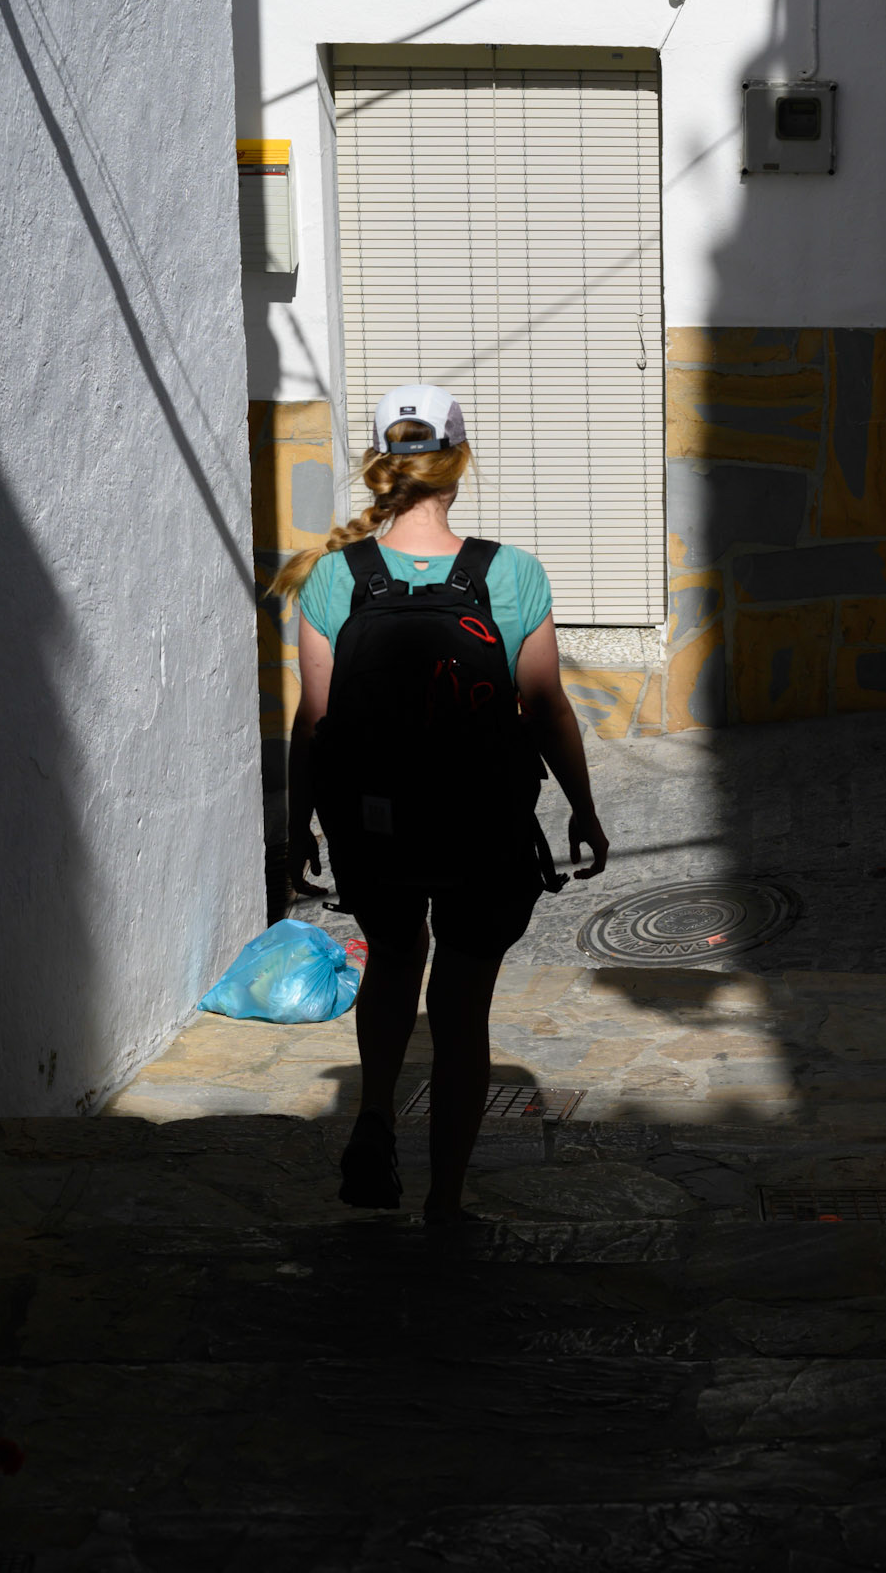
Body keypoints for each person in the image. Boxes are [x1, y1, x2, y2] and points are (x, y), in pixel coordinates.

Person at [274, 384, 609, 1226]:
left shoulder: (334, 576)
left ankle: (376, 1116)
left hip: (373, 825)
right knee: (461, 1009)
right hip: (482, 828)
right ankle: (447, 1202)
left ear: (383, 470)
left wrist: (294, 828)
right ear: (457, 466)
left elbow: (314, 721)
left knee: (392, 960)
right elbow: (545, 708)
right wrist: (582, 807)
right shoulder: (511, 573)